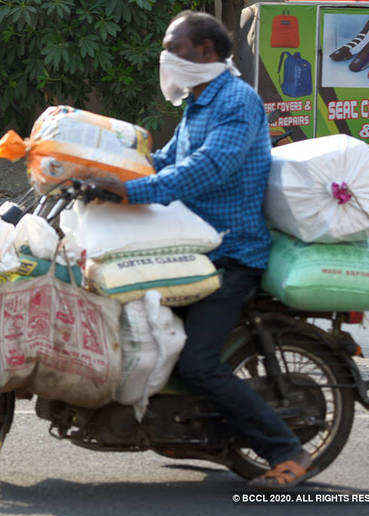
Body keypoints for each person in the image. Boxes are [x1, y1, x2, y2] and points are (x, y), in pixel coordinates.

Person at [85, 10, 311, 488]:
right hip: (191, 247)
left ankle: (286, 449)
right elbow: (168, 159)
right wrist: (106, 170)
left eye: (176, 48)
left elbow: (208, 168)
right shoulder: (199, 101)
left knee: (198, 362)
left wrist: (135, 192)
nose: (166, 57)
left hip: (230, 255)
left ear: (206, 52)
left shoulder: (238, 101)